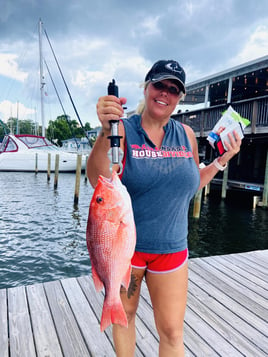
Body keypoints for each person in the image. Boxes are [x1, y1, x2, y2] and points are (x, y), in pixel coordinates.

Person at [87, 59, 241, 356]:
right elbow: (98, 179)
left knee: (172, 330)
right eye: (160, 85)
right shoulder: (123, 130)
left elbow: (191, 184)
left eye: (174, 89)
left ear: (180, 98)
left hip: (172, 250)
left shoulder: (185, 135)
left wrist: (221, 161)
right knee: (124, 316)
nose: (165, 93)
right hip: (126, 252)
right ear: (146, 87)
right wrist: (106, 133)